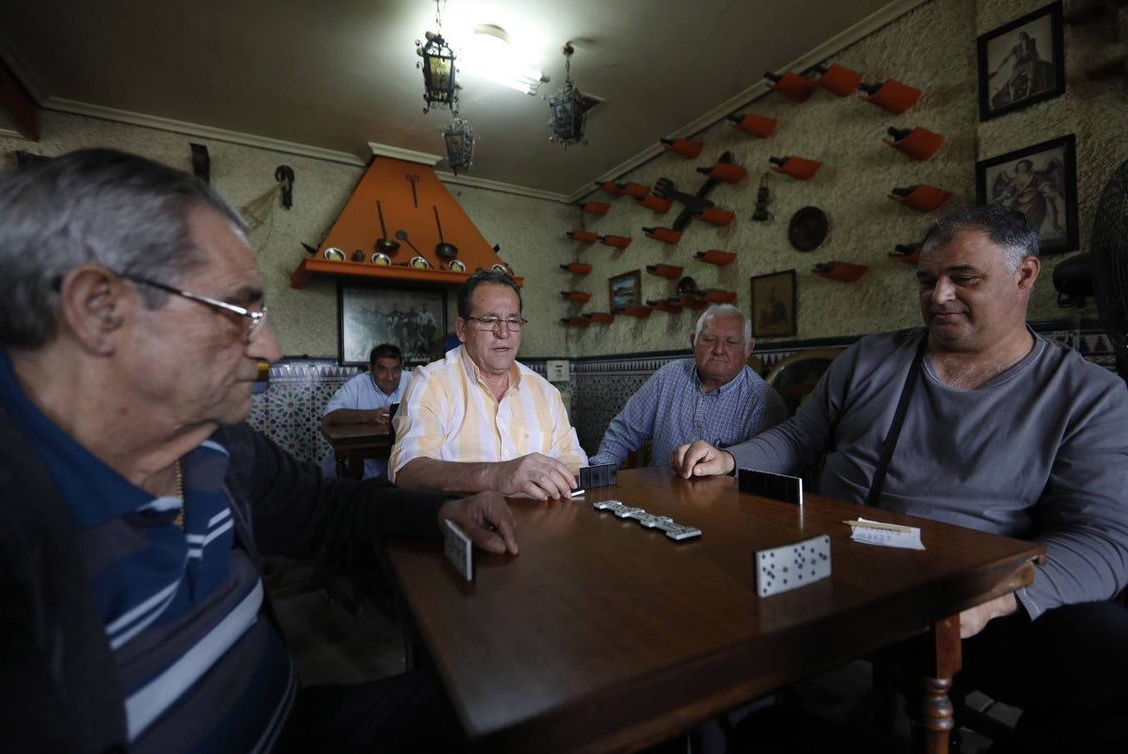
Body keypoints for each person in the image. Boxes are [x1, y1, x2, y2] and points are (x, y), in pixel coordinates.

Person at [0, 148, 518, 753]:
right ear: (99, 309)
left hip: (294, 726)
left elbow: (327, 506)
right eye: (240, 309)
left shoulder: (215, 445)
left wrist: (440, 509)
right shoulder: (1, 524)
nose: (271, 348)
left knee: (517, 704)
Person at [673, 205, 1128, 753]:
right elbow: (798, 439)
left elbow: (1103, 538)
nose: (938, 296)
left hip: (972, 604)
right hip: (832, 571)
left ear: (1025, 274)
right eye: (927, 279)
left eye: (963, 278)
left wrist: (995, 596)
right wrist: (730, 459)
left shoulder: (1092, 397)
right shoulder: (869, 358)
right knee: (689, 607)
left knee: (1110, 651)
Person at [389, 269, 587, 500]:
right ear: (462, 329)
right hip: (463, 529)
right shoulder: (431, 383)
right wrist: (496, 475)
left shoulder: (545, 392)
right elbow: (407, 471)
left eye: (513, 320)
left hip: (540, 528)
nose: (503, 332)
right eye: (489, 320)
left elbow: (576, 469)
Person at [589, 304, 785, 468]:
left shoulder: (762, 401)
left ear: (748, 349)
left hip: (726, 507)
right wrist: (601, 473)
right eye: (709, 339)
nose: (718, 350)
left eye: (731, 342)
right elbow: (624, 430)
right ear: (694, 342)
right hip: (660, 498)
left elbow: (767, 472)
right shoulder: (668, 377)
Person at [321, 342, 410, 479]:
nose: (390, 377)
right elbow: (329, 417)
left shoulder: (415, 381)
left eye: (396, 370)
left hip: (404, 465)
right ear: (371, 368)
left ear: (402, 366)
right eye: (382, 370)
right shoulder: (357, 384)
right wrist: (368, 415)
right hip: (362, 467)